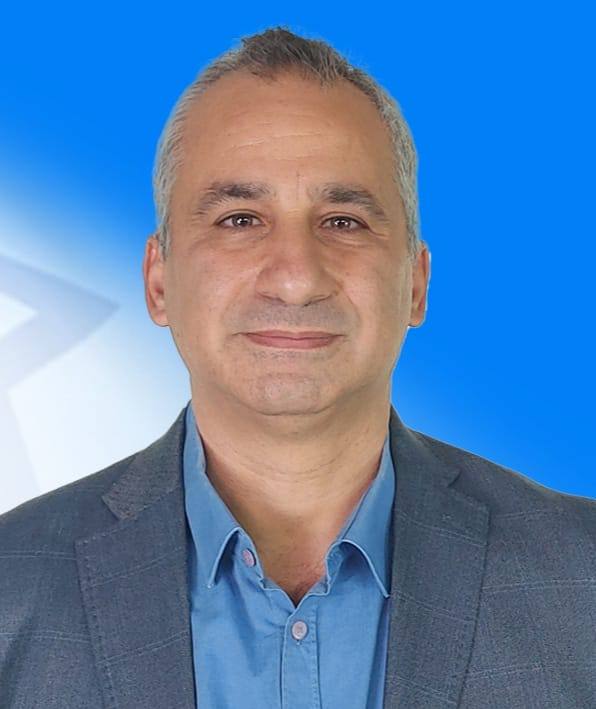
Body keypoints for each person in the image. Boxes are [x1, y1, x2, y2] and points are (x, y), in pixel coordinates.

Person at [1, 26, 594, 709]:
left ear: (416, 284)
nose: (295, 278)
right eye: (239, 219)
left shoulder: (582, 580)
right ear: (159, 281)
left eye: (343, 221)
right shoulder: (10, 586)